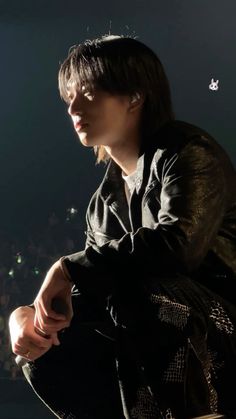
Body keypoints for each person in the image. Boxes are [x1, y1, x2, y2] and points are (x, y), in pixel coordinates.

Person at [9, 34, 236, 419]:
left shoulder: (187, 152)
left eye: (90, 91)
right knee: (47, 343)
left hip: (221, 331)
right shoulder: (103, 205)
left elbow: (177, 247)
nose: (73, 106)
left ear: (134, 96)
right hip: (152, 340)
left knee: (136, 285)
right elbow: (89, 290)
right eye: (70, 95)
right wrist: (28, 317)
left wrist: (66, 266)